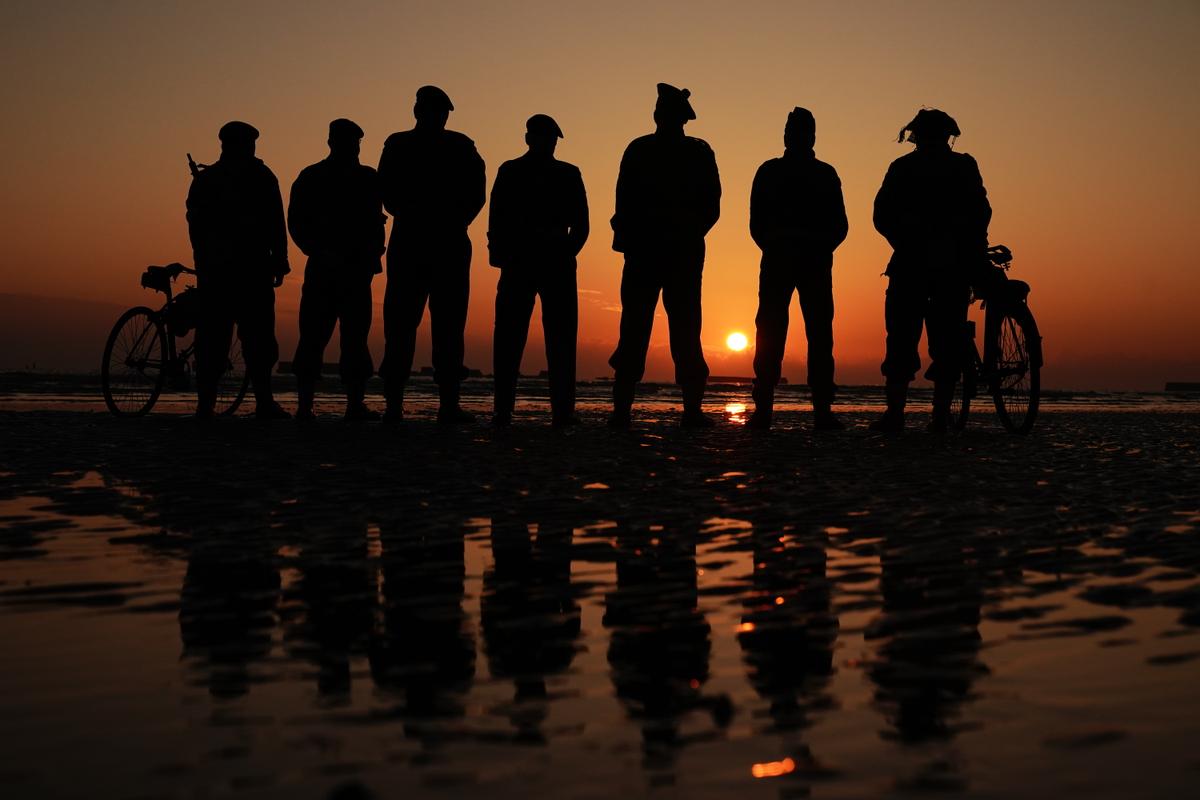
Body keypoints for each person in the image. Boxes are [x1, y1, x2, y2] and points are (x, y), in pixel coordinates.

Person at [608, 83, 721, 428]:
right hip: (650, 253)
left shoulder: (696, 153)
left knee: (682, 330)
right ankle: (624, 410)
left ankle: (687, 410)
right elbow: (623, 202)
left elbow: (711, 206)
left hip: (678, 254)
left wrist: (686, 231)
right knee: (637, 328)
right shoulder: (641, 151)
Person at [871, 109, 991, 432]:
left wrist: (904, 242)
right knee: (946, 342)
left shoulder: (903, 168)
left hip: (912, 266)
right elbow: (981, 213)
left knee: (901, 340)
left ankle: (896, 414)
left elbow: (881, 216)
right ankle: (938, 416)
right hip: (950, 268)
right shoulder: (963, 166)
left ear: (917, 136)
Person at [378, 86, 486, 424]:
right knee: (406, 324)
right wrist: (446, 219)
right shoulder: (403, 144)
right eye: (434, 111)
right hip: (426, 241)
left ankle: (441, 405)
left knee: (442, 325)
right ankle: (401, 405)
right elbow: (387, 194)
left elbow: (475, 195)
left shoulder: (456, 146)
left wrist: (451, 220)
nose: (437, 117)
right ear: (420, 112)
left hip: (437, 242)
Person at [748, 107, 849, 431]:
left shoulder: (824, 174)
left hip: (809, 261)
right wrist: (778, 244)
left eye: (801, 131)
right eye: (793, 130)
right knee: (773, 334)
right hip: (784, 260)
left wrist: (815, 246)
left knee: (817, 335)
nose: (796, 136)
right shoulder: (771, 172)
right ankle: (765, 409)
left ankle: (819, 411)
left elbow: (839, 225)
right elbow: (757, 223)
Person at [488, 114, 589, 428]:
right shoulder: (510, 170)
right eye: (544, 137)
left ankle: (562, 411)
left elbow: (582, 225)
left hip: (553, 260)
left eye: (552, 138)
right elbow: (497, 217)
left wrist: (565, 252)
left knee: (559, 338)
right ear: (529, 138)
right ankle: (503, 410)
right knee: (509, 337)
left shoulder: (568, 173)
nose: (549, 143)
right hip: (520, 260)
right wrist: (502, 255)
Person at [186, 120, 290, 419]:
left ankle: (217, 404)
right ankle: (254, 402)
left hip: (231, 271)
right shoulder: (259, 176)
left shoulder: (211, 180)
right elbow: (274, 222)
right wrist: (279, 258)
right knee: (239, 340)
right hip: (242, 271)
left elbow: (274, 222)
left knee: (233, 340)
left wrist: (279, 258)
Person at [288, 118, 386, 422]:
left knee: (354, 338)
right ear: (332, 142)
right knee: (314, 337)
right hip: (325, 268)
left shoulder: (367, 178)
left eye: (355, 143)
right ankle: (306, 406)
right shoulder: (313, 177)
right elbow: (297, 223)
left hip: (355, 271)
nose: (353, 148)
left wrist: (372, 254)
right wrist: (319, 250)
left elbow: (375, 220)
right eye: (348, 142)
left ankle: (352, 404)